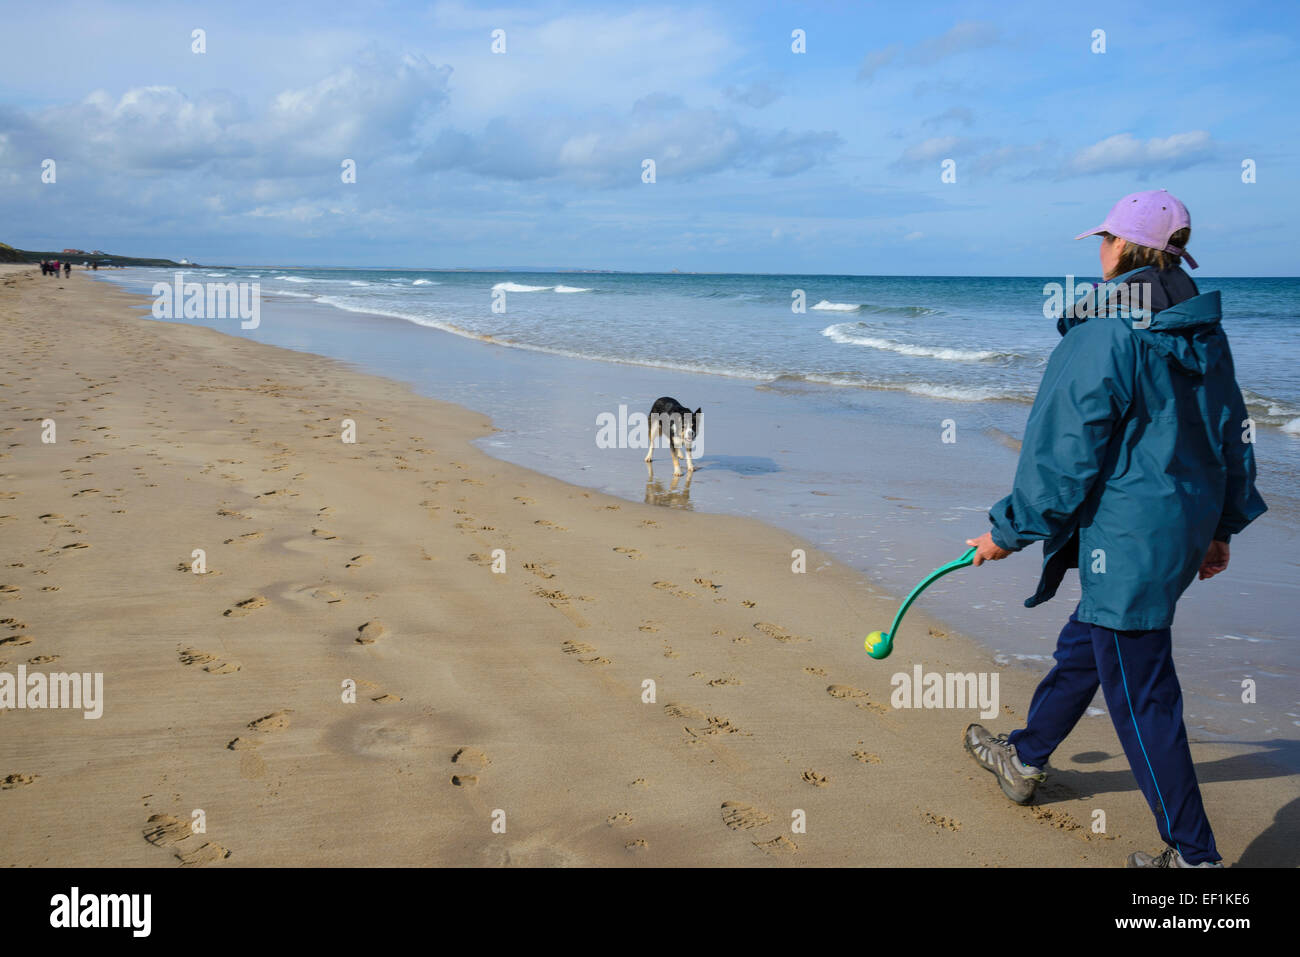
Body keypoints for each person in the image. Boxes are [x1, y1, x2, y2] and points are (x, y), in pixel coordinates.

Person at [962, 189, 1266, 868]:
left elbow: (1062, 452)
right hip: (1173, 533)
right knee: (1091, 642)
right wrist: (1221, 527)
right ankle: (1026, 754)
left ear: (1122, 248)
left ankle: (1194, 858)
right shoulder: (1202, 330)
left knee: (1143, 696)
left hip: (1130, 541)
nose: (1099, 252)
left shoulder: (1106, 329)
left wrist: (1007, 530)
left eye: (1103, 240)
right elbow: (1231, 436)